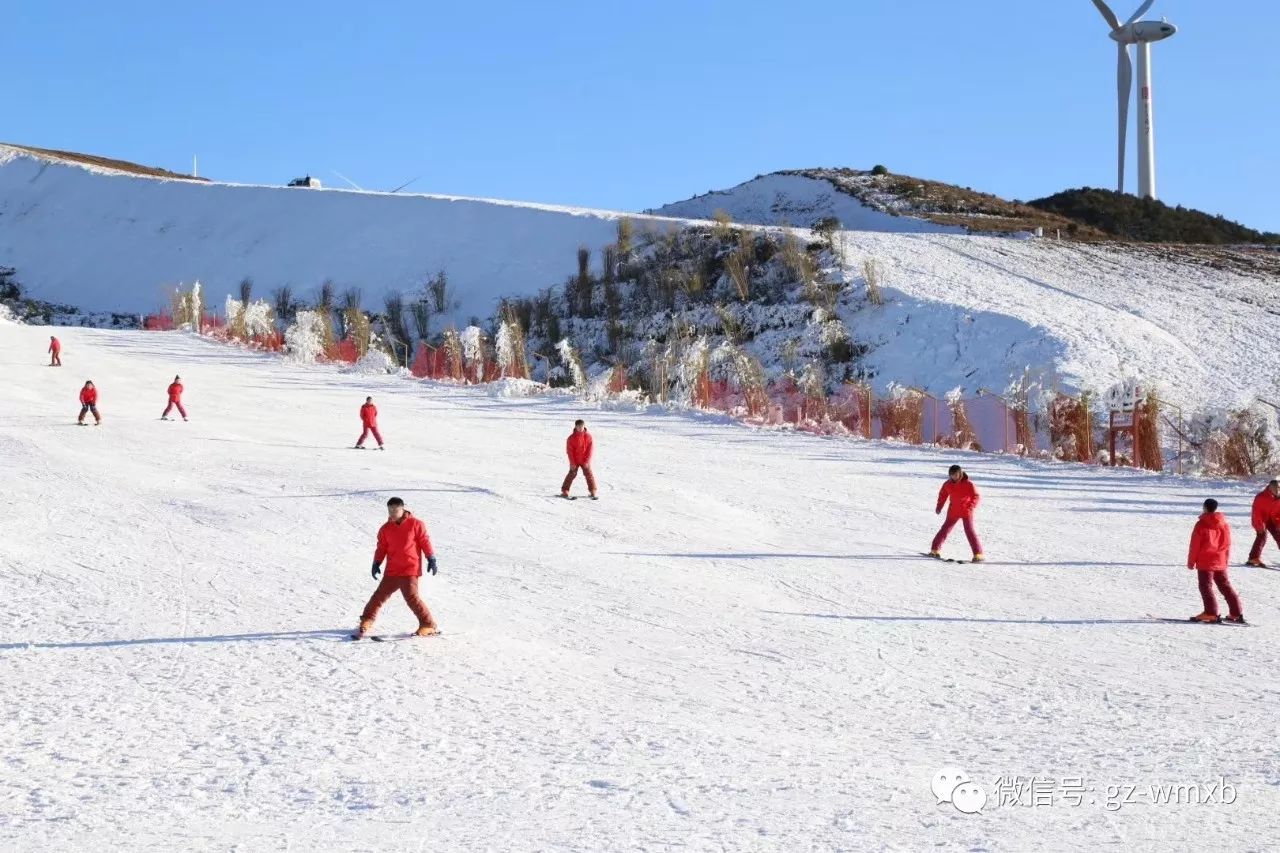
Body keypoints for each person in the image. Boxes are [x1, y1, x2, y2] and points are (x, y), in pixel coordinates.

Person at [354, 497, 439, 639]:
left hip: (410, 569)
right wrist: (376, 563)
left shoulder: (416, 524)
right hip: (392, 570)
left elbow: (425, 541)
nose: (393, 513)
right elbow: (381, 548)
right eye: (390, 510)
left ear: (403, 508)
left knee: (412, 597)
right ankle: (367, 619)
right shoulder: (385, 529)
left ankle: (428, 624)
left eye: (396, 510)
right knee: (378, 596)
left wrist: (431, 558)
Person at [1187, 498, 1245, 623]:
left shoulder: (1201, 524)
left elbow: (1195, 545)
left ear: (1205, 508)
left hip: (1205, 561)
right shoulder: (1224, 523)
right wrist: (1225, 560)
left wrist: (1191, 562)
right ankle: (1236, 612)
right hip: (1220, 559)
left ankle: (1211, 612)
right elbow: (1228, 543)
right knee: (1225, 586)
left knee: (1205, 586)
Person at [929, 464, 984, 562]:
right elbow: (942, 495)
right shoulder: (947, 484)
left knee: (970, 532)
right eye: (952, 475)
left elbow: (976, 496)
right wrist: (939, 506)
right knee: (945, 530)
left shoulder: (968, 484)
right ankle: (934, 550)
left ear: (960, 474)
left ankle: (978, 554)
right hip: (953, 511)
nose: (954, 477)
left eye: (955, 475)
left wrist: (970, 507)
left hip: (966, 512)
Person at [1246, 479, 1280, 567]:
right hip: (1261, 520)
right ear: (1270, 487)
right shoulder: (1261, 497)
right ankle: (1253, 558)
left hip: (1273, 519)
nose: (1277, 490)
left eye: (1279, 488)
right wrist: (1259, 526)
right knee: (1262, 536)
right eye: (1275, 488)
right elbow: (1256, 513)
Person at [561, 419, 597, 499]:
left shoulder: (588, 437)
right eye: (578, 427)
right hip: (575, 461)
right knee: (571, 474)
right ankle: (565, 491)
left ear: (584, 426)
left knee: (589, 475)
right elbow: (569, 452)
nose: (580, 428)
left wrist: (587, 461)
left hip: (585, 460)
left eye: (582, 426)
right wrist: (572, 463)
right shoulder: (571, 438)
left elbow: (590, 450)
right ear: (575, 427)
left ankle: (592, 491)